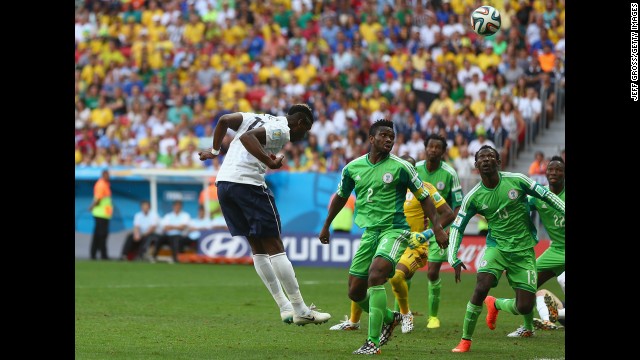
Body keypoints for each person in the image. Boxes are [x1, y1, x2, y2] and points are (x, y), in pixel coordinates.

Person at [319, 119, 449, 355]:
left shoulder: (402, 167)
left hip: (395, 229)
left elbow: (424, 197)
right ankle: (390, 317)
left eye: (392, 136)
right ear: (371, 139)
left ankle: (372, 342)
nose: (389, 139)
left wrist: (438, 228)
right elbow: (340, 196)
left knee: (377, 275)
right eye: (384, 135)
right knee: (355, 291)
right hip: (370, 232)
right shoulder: (352, 168)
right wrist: (326, 224)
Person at [197, 103, 331, 326]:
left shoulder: (257, 117)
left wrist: (214, 151)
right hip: (248, 184)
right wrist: (270, 161)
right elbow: (247, 138)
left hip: (224, 185)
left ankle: (285, 307)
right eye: (305, 131)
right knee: (275, 248)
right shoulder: (284, 129)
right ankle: (300, 309)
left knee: (258, 248)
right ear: (300, 123)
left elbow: (223, 120)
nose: (303, 136)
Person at [447, 145, 565, 353]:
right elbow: (458, 226)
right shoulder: (473, 197)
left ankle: (496, 304)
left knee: (525, 307)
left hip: (523, 251)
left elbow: (545, 195)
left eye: (490, 156)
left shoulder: (517, 180)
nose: (485, 159)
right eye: (481, 157)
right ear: (476, 165)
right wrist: (452, 256)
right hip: (497, 248)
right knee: (482, 285)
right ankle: (465, 340)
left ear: (498, 162)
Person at [329, 154, 455, 334]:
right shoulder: (385, 187)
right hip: (387, 238)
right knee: (362, 276)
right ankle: (353, 321)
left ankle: (405, 315)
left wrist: (427, 234)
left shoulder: (425, 189)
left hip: (414, 245)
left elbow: (448, 213)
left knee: (396, 276)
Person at [510, 155, 565, 334]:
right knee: (527, 285)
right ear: (546, 173)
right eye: (551, 169)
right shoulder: (539, 196)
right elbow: (518, 206)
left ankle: (556, 314)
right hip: (556, 250)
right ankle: (527, 328)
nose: (554, 172)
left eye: (558, 170)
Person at [414, 133, 464, 329]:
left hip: (439, 229)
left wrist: (454, 228)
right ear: (425, 148)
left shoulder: (450, 173)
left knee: (432, 272)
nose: (433, 150)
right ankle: (402, 313)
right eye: (430, 146)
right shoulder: (414, 169)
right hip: (415, 228)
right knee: (402, 272)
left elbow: (458, 205)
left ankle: (433, 317)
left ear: (443, 152)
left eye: (438, 147)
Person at [89, 169, 113, 260]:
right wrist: (91, 207)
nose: (109, 177)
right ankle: (103, 255)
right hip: (100, 214)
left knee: (98, 235)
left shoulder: (106, 184)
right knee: (102, 235)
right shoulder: (101, 184)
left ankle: (94, 254)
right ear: (103, 175)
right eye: (107, 175)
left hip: (104, 214)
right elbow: (98, 198)